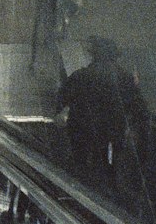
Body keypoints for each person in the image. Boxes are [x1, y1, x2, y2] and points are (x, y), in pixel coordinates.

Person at [58, 36, 149, 192]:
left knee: (81, 167)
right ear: (114, 56)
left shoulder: (81, 75)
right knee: (107, 169)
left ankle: (78, 195)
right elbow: (138, 108)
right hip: (111, 134)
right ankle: (108, 194)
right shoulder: (125, 78)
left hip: (81, 132)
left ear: (94, 55)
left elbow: (62, 99)